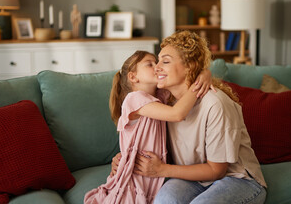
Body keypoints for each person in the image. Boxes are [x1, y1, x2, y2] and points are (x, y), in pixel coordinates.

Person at [112, 31, 267, 204]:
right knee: (163, 201)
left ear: (189, 66)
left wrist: (162, 169)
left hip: (237, 179)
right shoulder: (165, 101)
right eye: (157, 61)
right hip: (192, 179)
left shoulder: (215, 104)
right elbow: (145, 135)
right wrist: (125, 158)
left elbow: (217, 171)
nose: (157, 67)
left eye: (165, 61)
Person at [84, 50, 211, 204]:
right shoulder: (134, 99)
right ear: (133, 77)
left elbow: (181, 84)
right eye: (150, 64)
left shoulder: (159, 97)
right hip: (136, 176)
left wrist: (203, 73)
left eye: (157, 62)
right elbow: (177, 114)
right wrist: (199, 84)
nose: (157, 67)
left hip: (151, 175)